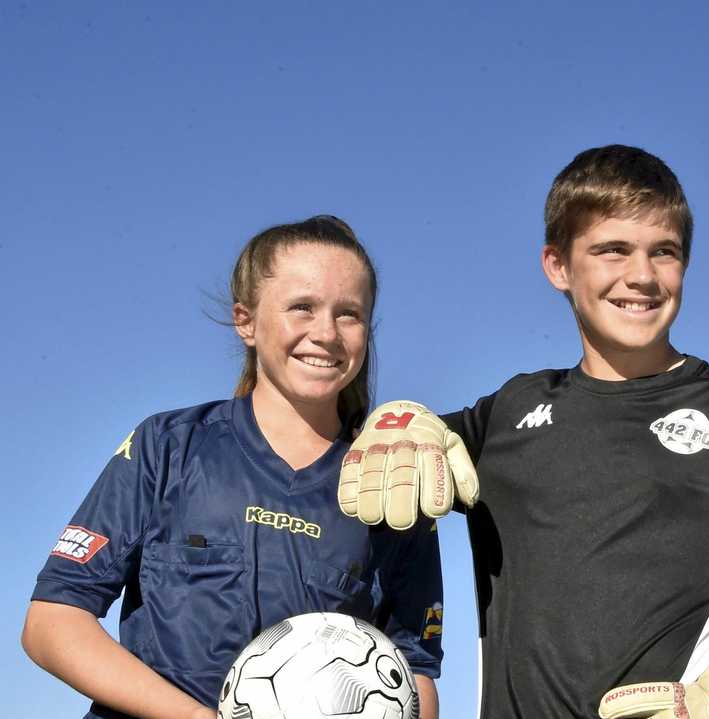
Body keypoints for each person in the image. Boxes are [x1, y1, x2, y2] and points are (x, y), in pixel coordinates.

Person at [342, 146, 709, 719]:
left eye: (664, 252)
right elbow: (415, 444)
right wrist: (397, 419)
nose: (642, 277)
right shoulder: (513, 409)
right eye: (613, 250)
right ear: (558, 266)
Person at [24, 216, 444, 719]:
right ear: (246, 320)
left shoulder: (388, 481)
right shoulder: (169, 446)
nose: (326, 333)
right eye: (302, 307)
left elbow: (413, 672)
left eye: (349, 313)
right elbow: (52, 622)